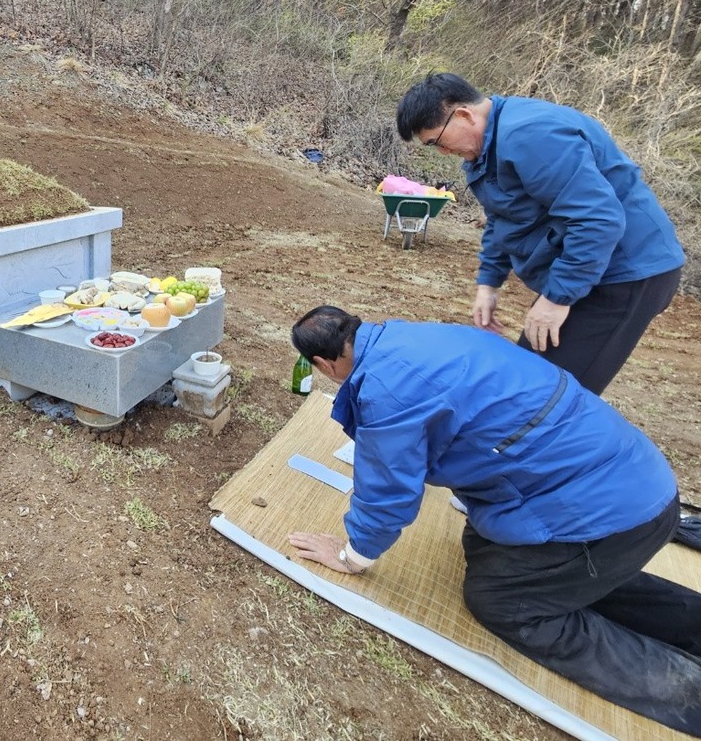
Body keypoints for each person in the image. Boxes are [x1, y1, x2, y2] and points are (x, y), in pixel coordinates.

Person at [285, 306, 701, 736]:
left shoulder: (387, 391)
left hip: (606, 515)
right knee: (491, 549)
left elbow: (388, 491)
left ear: (324, 364)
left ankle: (688, 692)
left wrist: (352, 555)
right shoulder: (417, 336)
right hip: (635, 480)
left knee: (501, 599)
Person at [395, 73, 685, 395]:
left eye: (437, 141)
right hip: (587, 265)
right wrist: (488, 283)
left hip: (626, 271)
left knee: (549, 397)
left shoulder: (530, 136)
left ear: (463, 115)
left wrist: (556, 298)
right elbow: (503, 218)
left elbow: (598, 219)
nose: (443, 152)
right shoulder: (486, 148)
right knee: (527, 379)